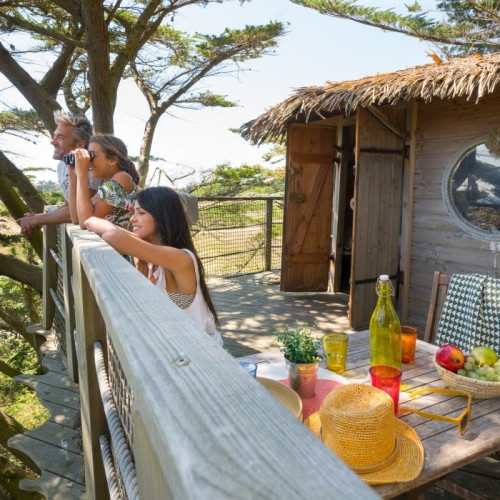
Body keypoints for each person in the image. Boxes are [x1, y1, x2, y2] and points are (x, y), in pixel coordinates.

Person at [84, 186, 222, 346]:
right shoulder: (146, 258)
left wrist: (99, 223)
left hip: (203, 353)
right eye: (134, 212)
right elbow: (90, 222)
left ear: (162, 215)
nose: (132, 219)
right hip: (174, 348)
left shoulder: (181, 259)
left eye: (141, 213)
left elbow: (111, 235)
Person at [16, 110, 95, 234]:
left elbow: (81, 209)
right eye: (55, 136)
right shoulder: (63, 166)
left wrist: (38, 219)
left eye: (61, 137)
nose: (52, 142)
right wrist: (39, 218)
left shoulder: (93, 170)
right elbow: (69, 205)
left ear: (80, 144)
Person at [69, 134, 140, 228]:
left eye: (92, 156)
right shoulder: (105, 185)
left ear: (112, 160)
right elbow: (76, 219)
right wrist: (72, 174)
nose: (88, 161)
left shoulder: (122, 177)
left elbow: (86, 222)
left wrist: (82, 174)